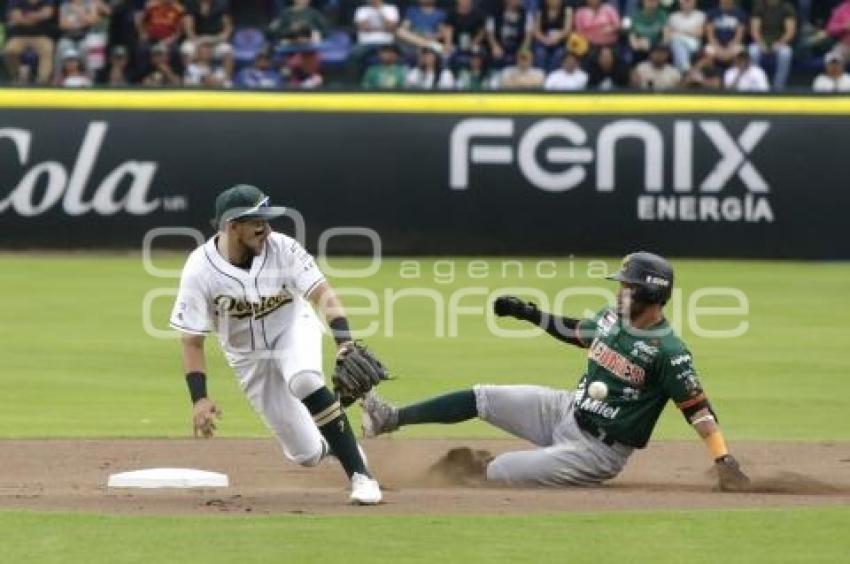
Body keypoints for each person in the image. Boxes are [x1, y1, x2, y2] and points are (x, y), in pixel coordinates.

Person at [362, 252, 752, 492]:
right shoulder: (611, 320)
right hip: (565, 410)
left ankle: (429, 483)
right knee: (483, 396)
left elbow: (698, 410)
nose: (620, 292)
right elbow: (576, 332)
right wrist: (529, 313)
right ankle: (390, 417)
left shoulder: (668, 351)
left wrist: (724, 461)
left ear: (651, 295)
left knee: (494, 472)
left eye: (628, 287)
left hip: (596, 451)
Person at [169, 184, 383, 505]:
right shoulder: (200, 269)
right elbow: (192, 341)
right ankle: (333, 444)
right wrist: (199, 399)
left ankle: (362, 478)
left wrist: (344, 343)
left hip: (292, 327)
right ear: (233, 226)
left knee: (305, 379)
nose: (266, 228)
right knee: (306, 454)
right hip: (248, 359)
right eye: (257, 222)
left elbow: (325, 296)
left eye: (268, 220)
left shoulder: (283, 248)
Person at [4, 0, 56, 84]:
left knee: (47, 49)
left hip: (41, 36)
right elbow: (17, 18)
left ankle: (42, 81)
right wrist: (37, 16)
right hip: (20, 36)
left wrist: (26, 16)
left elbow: (46, 14)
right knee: (10, 50)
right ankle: (18, 76)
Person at [748, 0, 796, 90]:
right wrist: (761, 44)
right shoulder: (759, 6)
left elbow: (790, 32)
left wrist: (779, 43)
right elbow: (754, 31)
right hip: (761, 41)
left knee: (786, 53)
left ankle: (778, 88)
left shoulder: (787, 7)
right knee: (753, 51)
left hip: (780, 42)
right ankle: (758, 87)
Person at [486, 0, 533, 67]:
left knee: (524, 57)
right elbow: (489, 32)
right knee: (495, 57)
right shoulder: (494, 12)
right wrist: (494, 46)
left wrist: (523, 49)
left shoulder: (527, 15)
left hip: (517, 47)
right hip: (500, 45)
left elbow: (528, 36)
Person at [532, 0, 573, 72]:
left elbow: (567, 30)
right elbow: (536, 31)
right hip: (544, 40)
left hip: (560, 40)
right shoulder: (540, 10)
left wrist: (558, 36)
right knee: (540, 53)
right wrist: (545, 40)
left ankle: (552, 77)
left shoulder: (567, 10)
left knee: (559, 54)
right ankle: (541, 76)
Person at [664, 0, 705, 71]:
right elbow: (668, 34)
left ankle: (680, 70)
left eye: (689, 2)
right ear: (680, 3)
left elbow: (699, 33)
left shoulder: (700, 15)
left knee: (677, 43)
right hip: (675, 42)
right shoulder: (673, 17)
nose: (687, 4)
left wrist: (679, 31)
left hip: (693, 43)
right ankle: (685, 67)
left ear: (694, 2)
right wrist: (689, 31)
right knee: (677, 44)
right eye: (685, 2)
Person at [705, 0, 747, 66]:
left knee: (739, 52)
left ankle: (734, 73)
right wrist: (718, 48)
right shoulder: (712, 13)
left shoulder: (740, 14)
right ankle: (711, 74)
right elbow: (710, 35)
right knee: (709, 51)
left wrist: (729, 49)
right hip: (716, 44)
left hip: (733, 44)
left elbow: (739, 35)